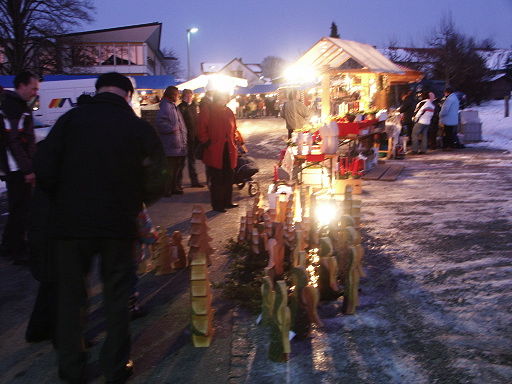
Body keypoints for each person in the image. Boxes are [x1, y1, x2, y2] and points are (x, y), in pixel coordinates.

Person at [34, 72, 167, 383]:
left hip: (69, 227)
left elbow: (44, 168)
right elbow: (159, 176)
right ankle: (116, 367)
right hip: (117, 225)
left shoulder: (69, 121)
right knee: (117, 297)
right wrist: (136, 201)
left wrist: (62, 200)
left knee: (70, 299)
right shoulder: (136, 127)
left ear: (97, 91)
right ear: (128, 95)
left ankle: (71, 368)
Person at [0, 71, 39, 265]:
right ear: (21, 86)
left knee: (18, 207)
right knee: (21, 209)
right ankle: (17, 250)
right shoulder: (14, 107)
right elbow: (15, 140)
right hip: (16, 168)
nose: (35, 92)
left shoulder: (16, 105)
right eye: (33, 88)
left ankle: (9, 246)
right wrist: (28, 169)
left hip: (15, 166)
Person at [198, 91, 239, 212]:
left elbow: (234, 128)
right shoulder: (208, 110)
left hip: (229, 149)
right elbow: (201, 128)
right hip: (215, 150)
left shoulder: (228, 111)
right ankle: (217, 204)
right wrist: (207, 142)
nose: (225, 100)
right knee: (217, 179)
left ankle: (227, 201)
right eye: (223, 98)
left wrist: (235, 140)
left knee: (228, 176)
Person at [156, 86, 188, 195]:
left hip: (176, 143)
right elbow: (160, 123)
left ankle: (173, 188)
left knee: (175, 169)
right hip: (171, 143)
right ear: (172, 95)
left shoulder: (172, 105)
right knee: (170, 169)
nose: (178, 96)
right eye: (177, 94)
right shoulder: (165, 106)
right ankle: (167, 190)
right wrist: (172, 128)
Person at [178, 89, 204, 188]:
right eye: (187, 96)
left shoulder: (193, 107)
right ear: (183, 96)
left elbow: (196, 121)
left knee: (192, 160)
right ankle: (178, 183)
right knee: (181, 161)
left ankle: (194, 181)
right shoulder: (181, 107)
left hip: (193, 137)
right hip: (184, 138)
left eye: (190, 96)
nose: (189, 98)